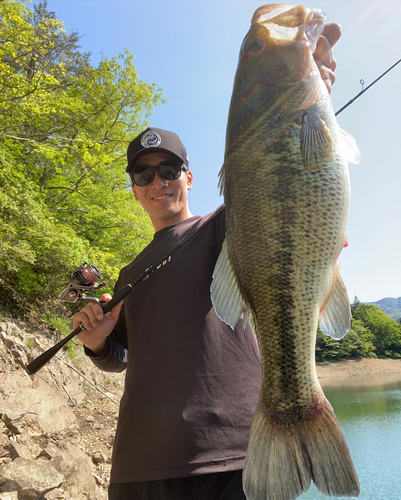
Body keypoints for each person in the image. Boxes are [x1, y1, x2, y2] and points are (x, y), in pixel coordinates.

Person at [73, 24, 342, 500]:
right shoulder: (129, 275)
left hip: (235, 454)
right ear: (134, 188)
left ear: (189, 176)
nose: (159, 182)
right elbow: (122, 357)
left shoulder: (226, 226)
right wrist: (96, 344)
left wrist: (299, 92)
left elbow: (281, 184)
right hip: (140, 466)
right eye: (144, 173)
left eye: (170, 169)